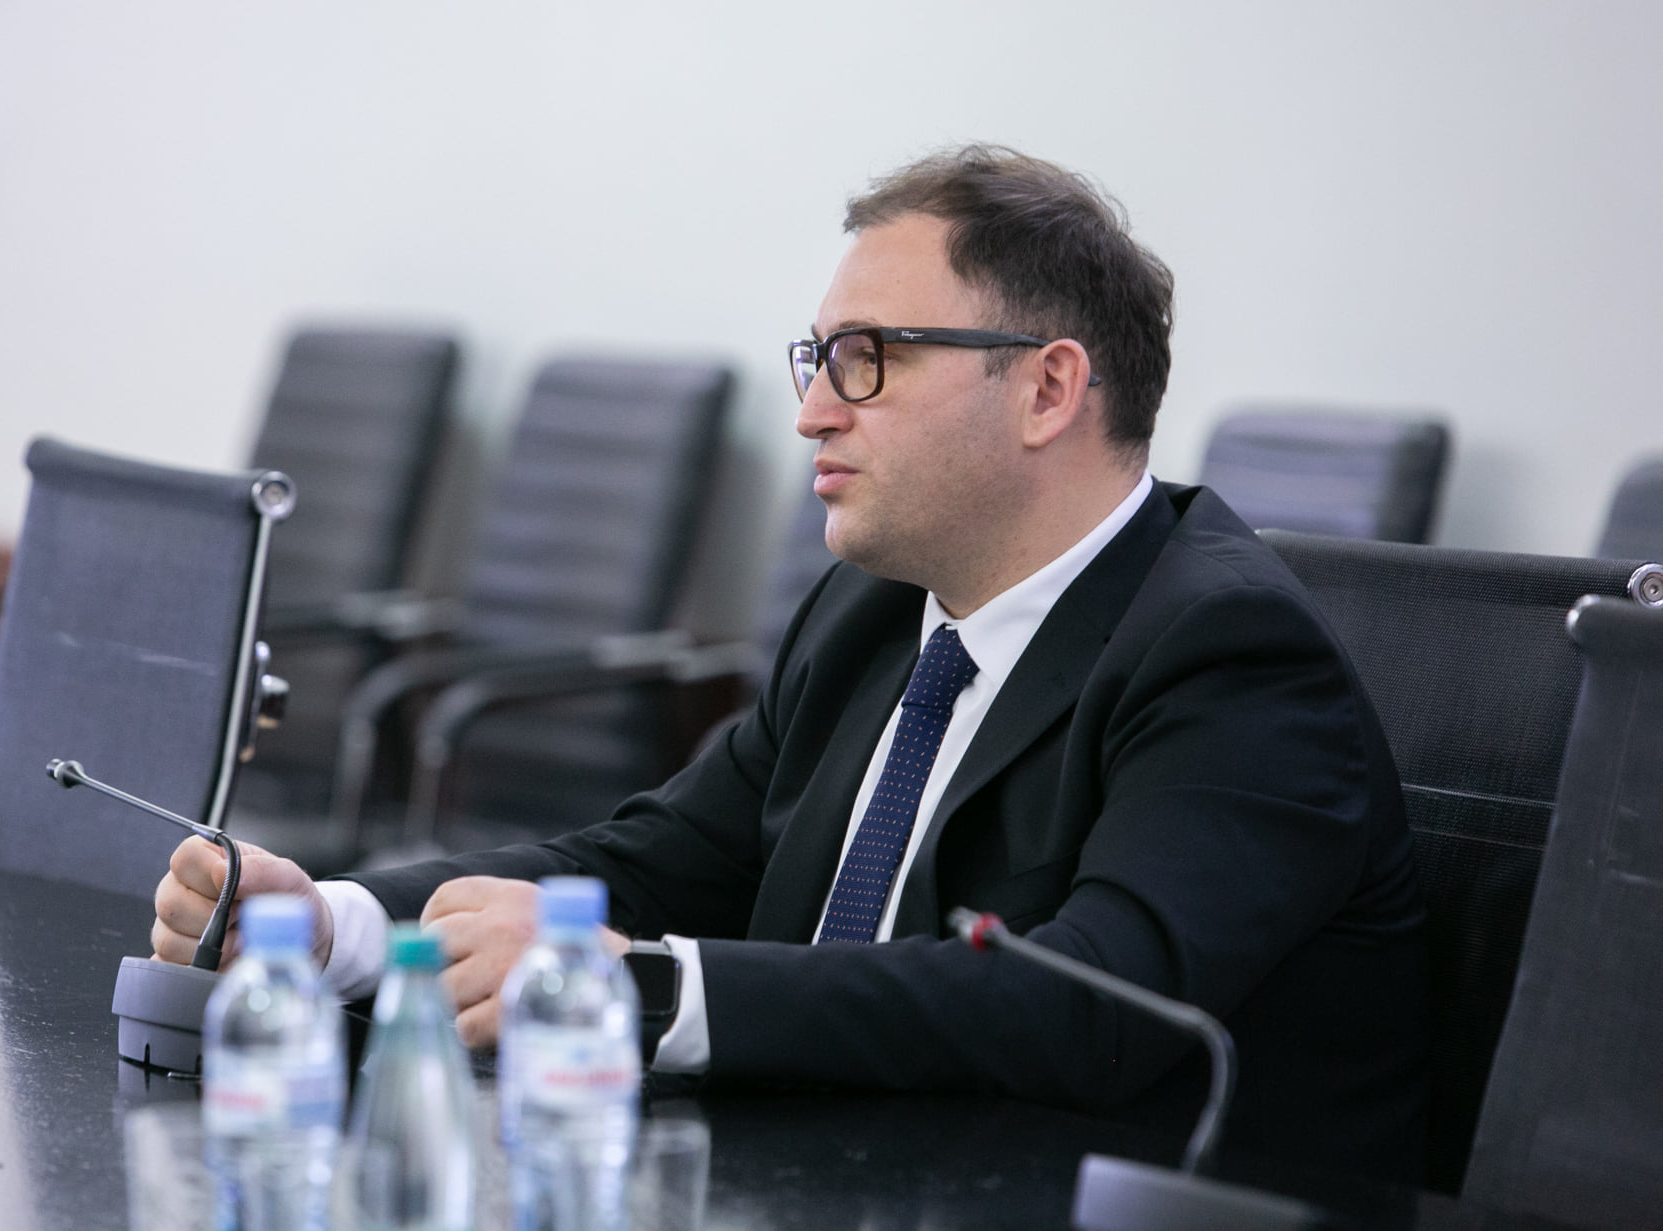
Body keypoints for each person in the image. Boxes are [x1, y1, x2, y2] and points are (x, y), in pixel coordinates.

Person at [155, 145, 1429, 1181]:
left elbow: (1094, 1007)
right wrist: (332, 925)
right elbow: (661, 859)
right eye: (817, 359)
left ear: (1047, 391)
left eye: (869, 359)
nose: (816, 408)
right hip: (822, 1174)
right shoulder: (872, 609)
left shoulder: (1227, 652)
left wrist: (641, 987)